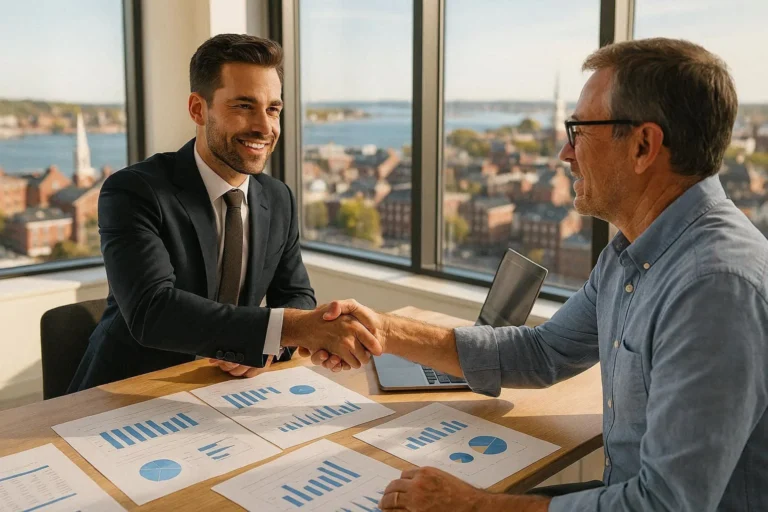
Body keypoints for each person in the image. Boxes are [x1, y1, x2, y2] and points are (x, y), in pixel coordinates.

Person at [313, 38, 768, 511]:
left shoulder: (715, 289)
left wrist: (472, 506)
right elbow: (544, 351)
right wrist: (383, 330)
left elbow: (662, 506)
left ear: (642, 145)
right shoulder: (633, 254)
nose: (564, 153)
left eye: (579, 131)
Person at [69, 34, 380, 392]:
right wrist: (287, 329)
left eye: (273, 109)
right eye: (244, 106)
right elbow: (153, 312)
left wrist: (267, 347)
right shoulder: (134, 191)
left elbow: (296, 295)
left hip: (227, 391)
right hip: (126, 391)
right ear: (199, 110)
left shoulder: (278, 198)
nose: (265, 127)